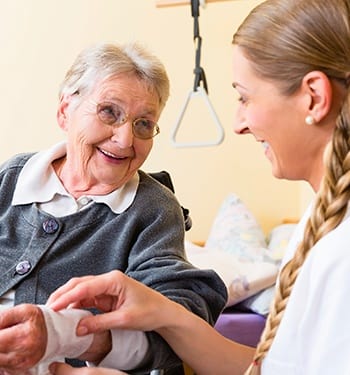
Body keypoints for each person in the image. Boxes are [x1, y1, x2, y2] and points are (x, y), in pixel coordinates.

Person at [47, 0, 350, 374]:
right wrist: (163, 313)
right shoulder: (321, 222)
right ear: (64, 111)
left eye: (244, 97)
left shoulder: (341, 253)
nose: (238, 123)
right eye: (110, 112)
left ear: (314, 98)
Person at [0, 41, 227, 374]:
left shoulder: (153, 209)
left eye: (144, 124)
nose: (125, 139)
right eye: (109, 112)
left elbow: (181, 316)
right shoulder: (11, 178)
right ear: (66, 111)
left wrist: (67, 333)